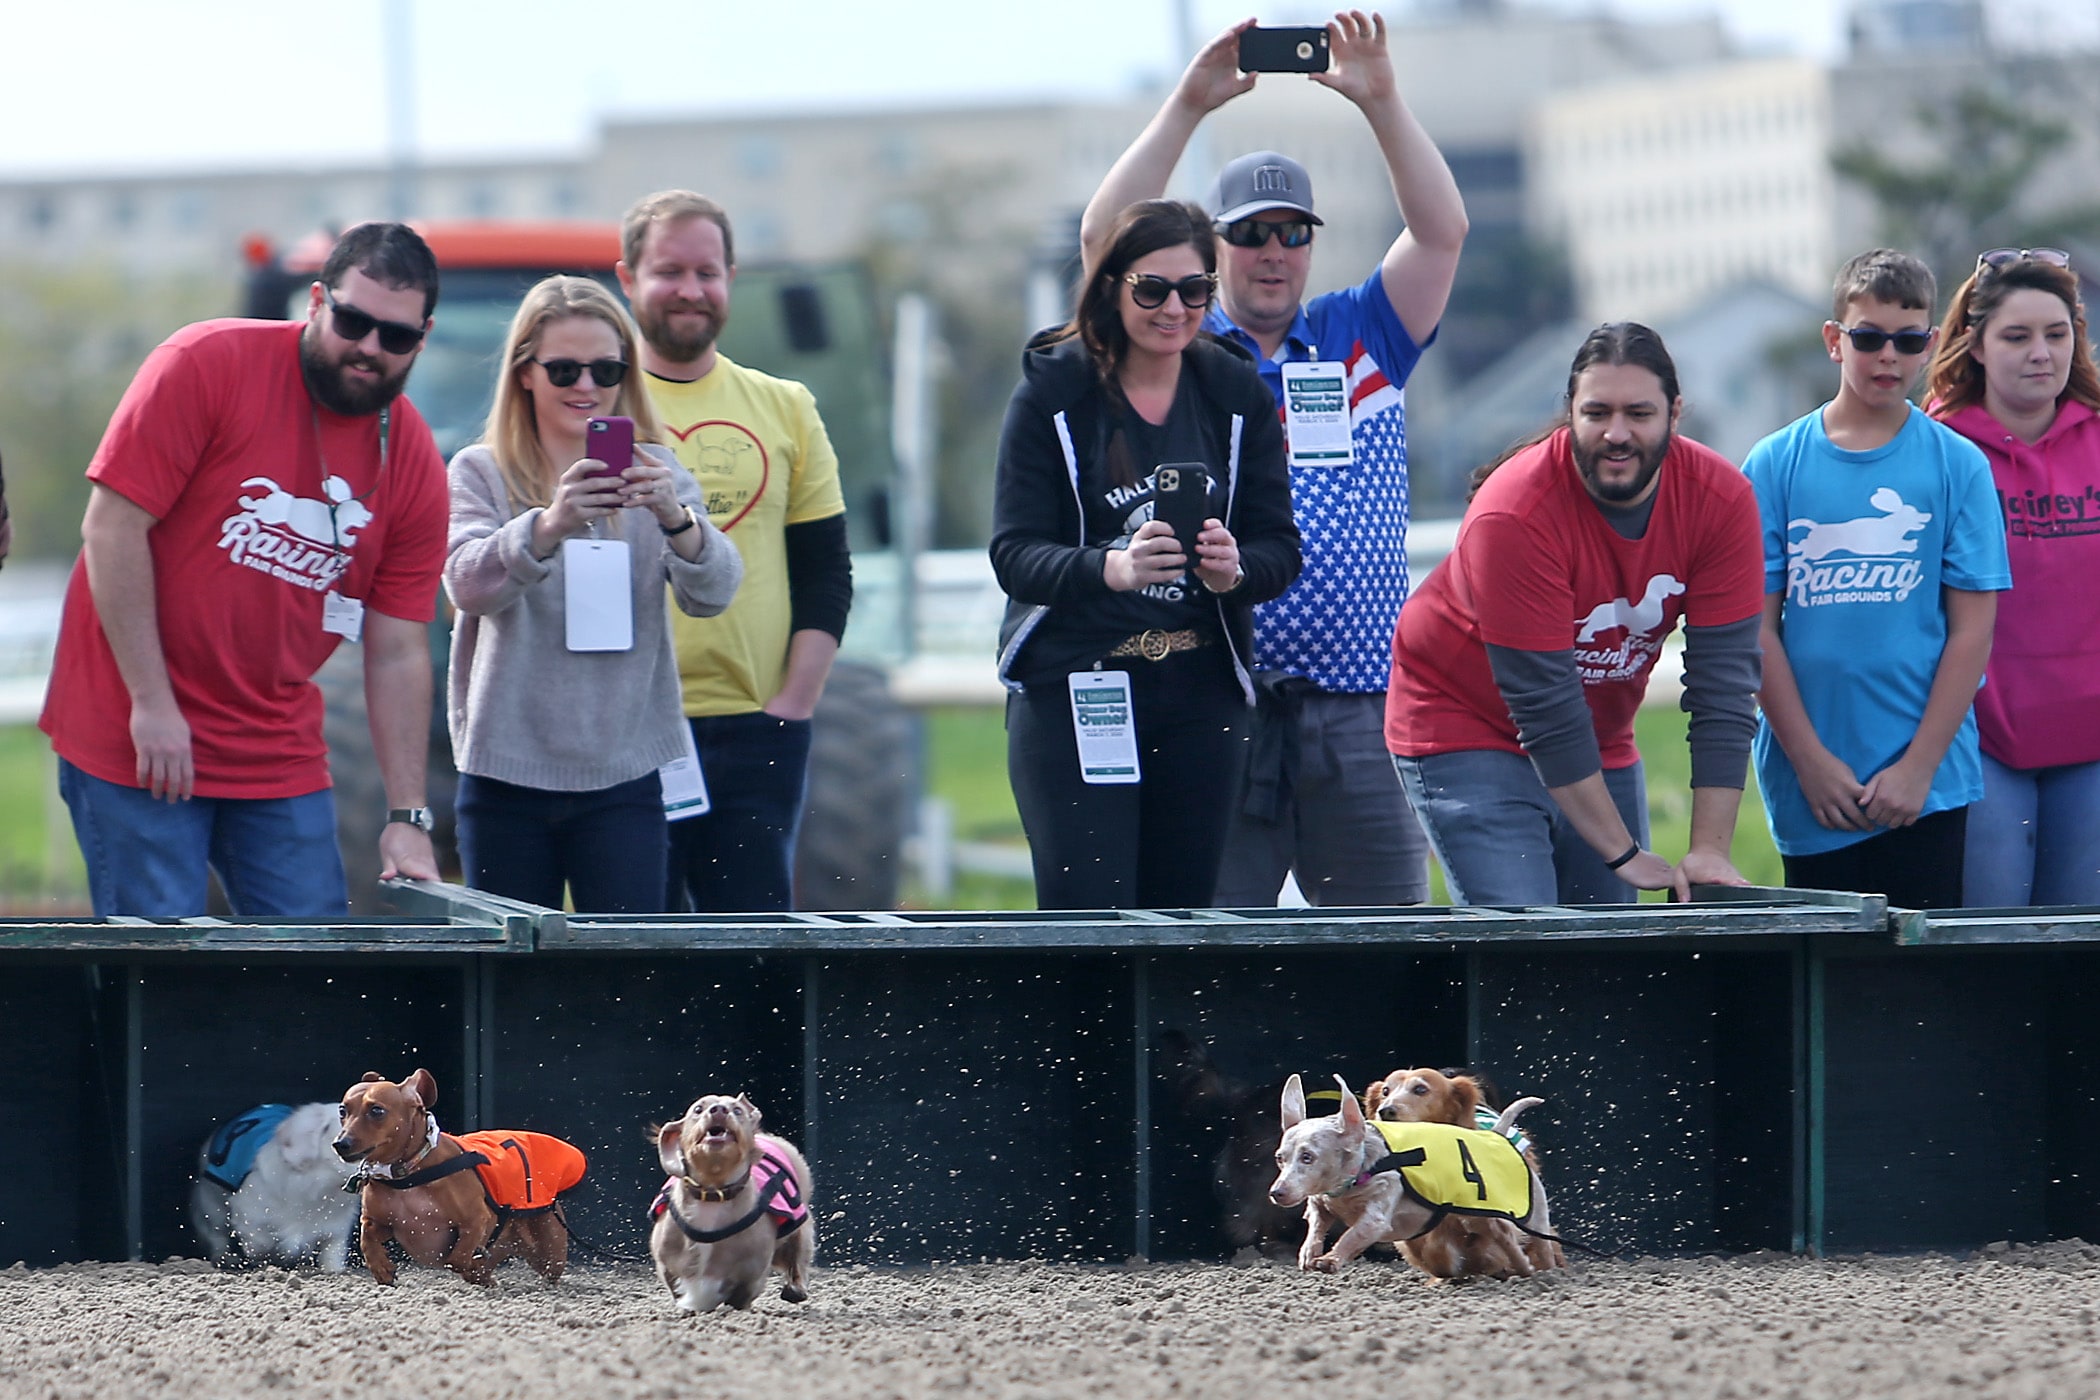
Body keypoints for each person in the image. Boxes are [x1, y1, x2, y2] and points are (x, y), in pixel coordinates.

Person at [1080, 10, 1465, 908]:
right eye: (1251, 234)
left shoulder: (1362, 335)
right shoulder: (1177, 341)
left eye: (1294, 233)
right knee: (1216, 957)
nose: (1273, 253)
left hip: (1362, 705)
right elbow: (1104, 241)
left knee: (1384, 950)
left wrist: (1381, 102)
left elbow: (1442, 231)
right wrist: (1187, 104)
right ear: (1215, 249)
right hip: (1219, 698)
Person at [40, 222, 448, 918]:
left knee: (310, 966)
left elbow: (397, 647)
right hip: (136, 731)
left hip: (274, 745)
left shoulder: (411, 459)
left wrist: (409, 816)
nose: (370, 348)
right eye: (353, 321)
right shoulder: (206, 362)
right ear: (316, 301)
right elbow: (111, 530)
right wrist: (153, 704)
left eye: (397, 336)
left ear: (422, 337)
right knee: (161, 978)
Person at [1386, 324, 1764, 905]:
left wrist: (1709, 850)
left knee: (1607, 958)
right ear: (1570, 412)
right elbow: (1545, 708)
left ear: (1675, 412)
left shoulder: (1721, 500)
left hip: (1597, 731)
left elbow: (1724, 686)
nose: (1617, 434)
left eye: (1639, 412)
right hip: (1465, 721)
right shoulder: (1514, 512)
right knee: (1526, 939)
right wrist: (1623, 853)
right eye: (1597, 412)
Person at [992, 199, 1300, 909]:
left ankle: (1168, 1031)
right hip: (1078, 684)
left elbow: (1279, 546)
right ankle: (1084, 1028)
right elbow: (1014, 553)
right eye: (1152, 290)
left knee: (1181, 923)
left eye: (1195, 291)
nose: (1175, 309)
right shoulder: (1053, 391)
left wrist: (1236, 568)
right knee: (1091, 921)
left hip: (1198, 690)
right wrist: (1113, 567)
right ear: (1112, 287)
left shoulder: (1231, 388)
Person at [443, 277, 742, 913]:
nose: (586, 386)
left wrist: (676, 520)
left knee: (628, 978)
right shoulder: (480, 471)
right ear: (524, 373)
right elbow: (466, 585)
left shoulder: (656, 470)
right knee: (509, 980)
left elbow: (715, 593)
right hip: (505, 772)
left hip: (624, 770)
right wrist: (548, 524)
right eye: (564, 369)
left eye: (606, 368)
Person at [1746, 249, 2010, 909]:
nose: (1888, 355)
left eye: (1907, 339)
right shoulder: (1775, 464)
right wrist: (1808, 760)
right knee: (1829, 989)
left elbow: (1971, 633)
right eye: (1868, 338)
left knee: (1921, 988)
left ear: (1931, 344)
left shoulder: (1958, 466)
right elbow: (1755, 629)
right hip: (1814, 787)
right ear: (1835, 341)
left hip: (1927, 786)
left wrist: (1918, 766)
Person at [616, 190, 853, 913]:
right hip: (623, 731)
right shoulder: (594, 408)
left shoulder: (786, 407)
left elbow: (825, 574)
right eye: (667, 271)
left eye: (707, 272)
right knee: (633, 954)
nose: (690, 290)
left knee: (754, 965)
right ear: (626, 279)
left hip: (758, 730)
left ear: (731, 278)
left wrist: (793, 706)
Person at [1925, 248, 2100, 906]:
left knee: (2082, 956)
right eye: (2017, 336)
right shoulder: (1936, 449)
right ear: (1974, 345)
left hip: (2091, 742)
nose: (2041, 354)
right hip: (1979, 741)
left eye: (2057, 335)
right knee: (1991, 949)